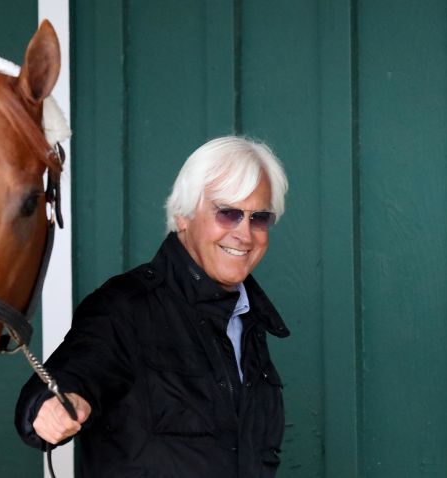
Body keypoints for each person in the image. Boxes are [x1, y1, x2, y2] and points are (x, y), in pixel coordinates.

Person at [15, 136, 290, 477]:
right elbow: (77, 371)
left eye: (258, 218)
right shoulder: (125, 307)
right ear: (183, 215)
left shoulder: (249, 323)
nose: (244, 234)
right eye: (228, 213)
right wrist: (49, 406)